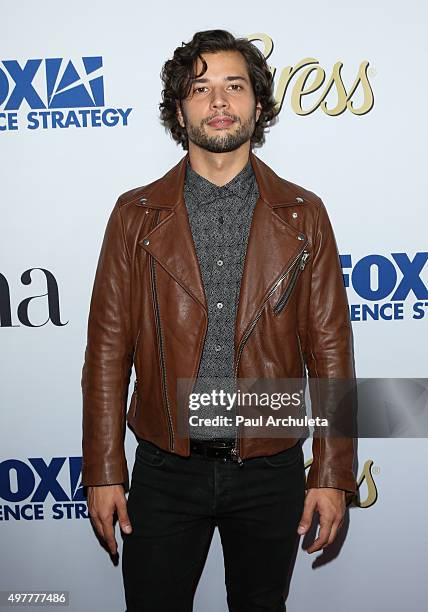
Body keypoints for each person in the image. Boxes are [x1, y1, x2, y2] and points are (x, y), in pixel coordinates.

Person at [81, 29, 357, 612]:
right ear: (180, 111)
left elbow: (330, 351)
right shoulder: (135, 215)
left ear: (258, 103)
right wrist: (105, 468)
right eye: (200, 89)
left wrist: (331, 473)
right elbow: (109, 351)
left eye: (235, 86)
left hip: (270, 468)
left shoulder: (304, 215)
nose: (220, 101)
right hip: (165, 466)